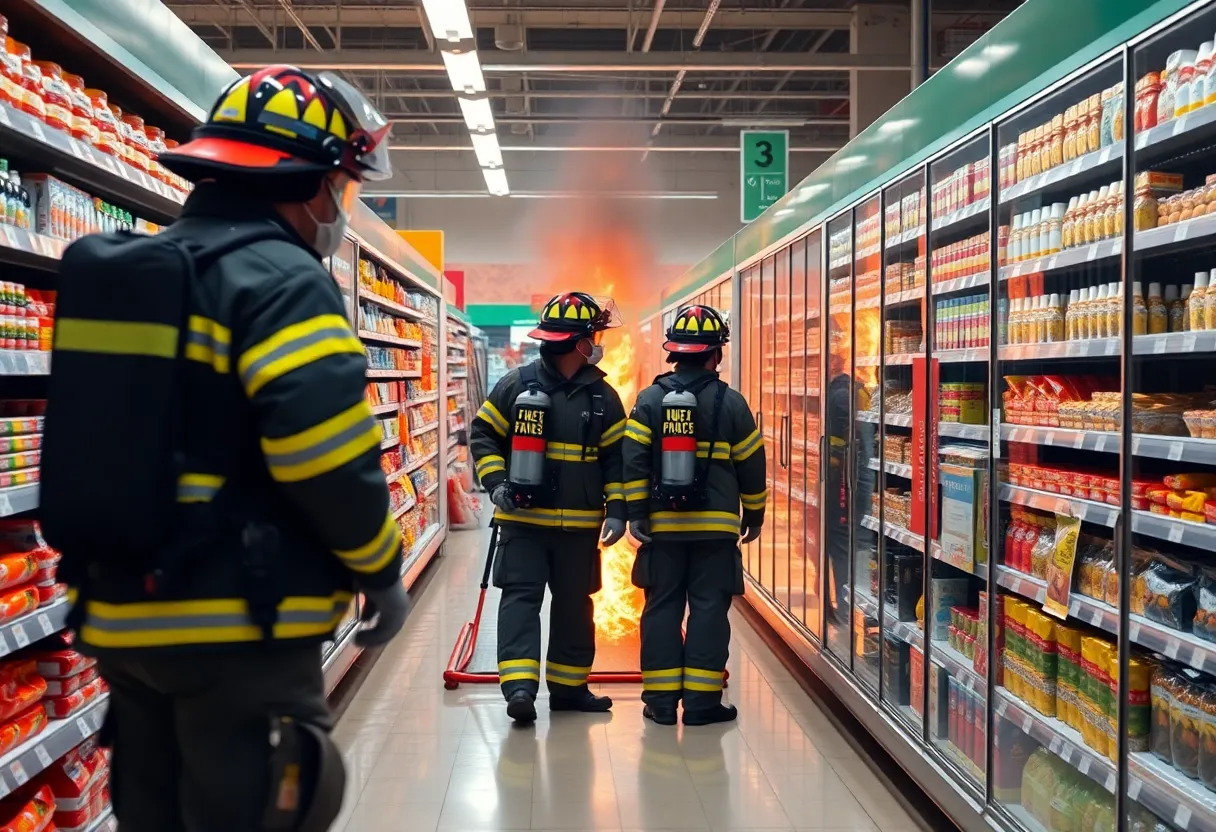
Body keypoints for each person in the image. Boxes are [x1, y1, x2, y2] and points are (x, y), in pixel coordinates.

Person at [39, 66, 410, 832]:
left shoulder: (146, 271)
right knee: (266, 808)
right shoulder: (279, 281)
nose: (340, 207)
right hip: (239, 626)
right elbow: (328, 456)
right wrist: (380, 568)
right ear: (308, 179)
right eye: (342, 185)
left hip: (120, 620)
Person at [470, 292, 628, 724]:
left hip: (579, 529)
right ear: (578, 343)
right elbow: (482, 435)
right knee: (522, 601)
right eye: (592, 336)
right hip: (523, 523)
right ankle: (520, 690)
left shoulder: (603, 397)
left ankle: (569, 689)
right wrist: (498, 483)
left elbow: (616, 459)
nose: (597, 342)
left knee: (575, 606)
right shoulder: (516, 386)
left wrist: (617, 508)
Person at [623, 305, 766, 726]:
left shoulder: (649, 400)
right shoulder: (733, 404)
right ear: (715, 354)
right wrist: (753, 515)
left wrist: (636, 515)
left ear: (673, 353)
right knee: (708, 610)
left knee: (661, 608)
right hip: (716, 533)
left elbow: (633, 461)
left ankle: (662, 704)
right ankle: (703, 705)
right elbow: (751, 465)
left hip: (663, 531)